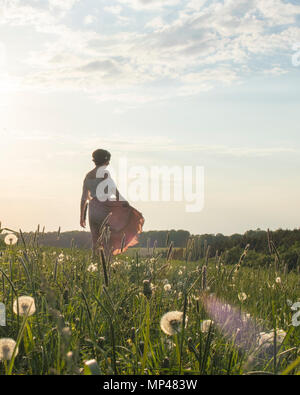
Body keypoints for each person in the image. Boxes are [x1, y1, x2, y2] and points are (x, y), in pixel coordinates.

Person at [80, 149, 144, 256]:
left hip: (92, 210)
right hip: (104, 208)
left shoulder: (88, 176)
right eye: (108, 160)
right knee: (107, 240)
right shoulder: (104, 174)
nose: (109, 163)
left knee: (95, 240)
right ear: (105, 161)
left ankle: (95, 262)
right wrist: (125, 203)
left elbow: (83, 198)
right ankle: (107, 265)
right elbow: (114, 190)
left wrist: (82, 217)